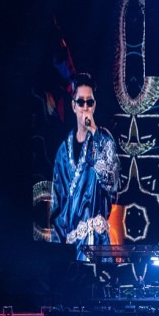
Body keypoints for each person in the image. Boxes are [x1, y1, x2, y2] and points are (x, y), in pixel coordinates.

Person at [49, 72, 120, 260]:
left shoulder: (104, 140)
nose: (85, 107)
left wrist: (94, 131)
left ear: (94, 105)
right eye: (81, 102)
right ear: (73, 106)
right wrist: (56, 248)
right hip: (70, 246)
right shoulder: (63, 151)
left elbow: (112, 182)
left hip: (96, 243)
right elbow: (56, 203)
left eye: (90, 102)